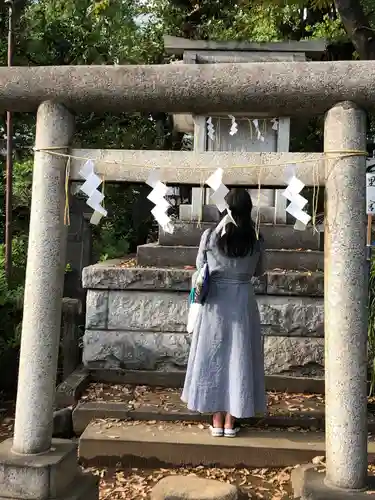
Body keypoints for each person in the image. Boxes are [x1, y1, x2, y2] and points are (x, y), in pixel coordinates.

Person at [181, 188, 266, 437]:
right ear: (248, 210)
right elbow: (260, 271)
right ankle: (231, 420)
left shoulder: (210, 236)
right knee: (239, 355)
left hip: (215, 302)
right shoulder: (256, 238)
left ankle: (216, 418)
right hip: (242, 301)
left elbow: (200, 266)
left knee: (213, 356)